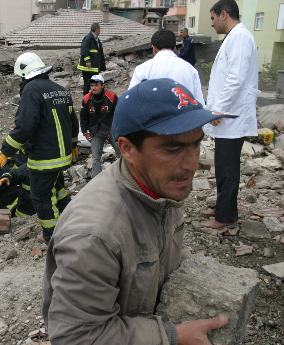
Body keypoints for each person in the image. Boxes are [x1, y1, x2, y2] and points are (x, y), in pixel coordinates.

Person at [42, 78, 233, 345]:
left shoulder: (160, 188)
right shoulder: (94, 236)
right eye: (173, 148)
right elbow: (76, 338)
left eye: (196, 144)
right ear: (128, 149)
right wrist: (172, 336)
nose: (192, 164)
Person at [0, 52, 79, 243]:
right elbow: (74, 123)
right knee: (58, 189)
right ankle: (72, 219)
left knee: (41, 197)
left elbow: (24, 126)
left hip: (44, 159)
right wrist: (73, 145)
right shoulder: (60, 90)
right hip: (63, 156)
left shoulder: (31, 90)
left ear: (24, 73)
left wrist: (6, 151)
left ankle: (53, 236)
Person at [202, 0, 259, 229]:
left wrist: (218, 110)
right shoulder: (235, 37)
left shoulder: (241, 38)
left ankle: (226, 218)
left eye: (213, 18)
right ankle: (222, 207)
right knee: (223, 164)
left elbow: (235, 79)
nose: (212, 24)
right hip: (229, 115)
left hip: (232, 115)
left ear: (224, 14)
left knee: (227, 167)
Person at [128, 29, 204, 105]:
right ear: (174, 48)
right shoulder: (191, 69)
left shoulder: (141, 69)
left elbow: (130, 100)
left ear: (153, 48)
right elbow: (200, 104)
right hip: (185, 115)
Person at [80, 74, 119, 178]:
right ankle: (96, 180)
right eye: (91, 85)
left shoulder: (112, 97)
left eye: (96, 85)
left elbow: (119, 113)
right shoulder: (86, 99)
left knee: (122, 153)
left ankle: (124, 176)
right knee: (96, 158)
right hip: (95, 131)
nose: (93, 88)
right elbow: (83, 117)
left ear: (102, 85)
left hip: (112, 130)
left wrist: (119, 130)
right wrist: (85, 132)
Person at [77, 22, 106, 95]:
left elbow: (100, 54)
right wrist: (87, 61)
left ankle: (93, 101)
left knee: (95, 85)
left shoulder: (97, 40)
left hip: (94, 68)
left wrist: (102, 66)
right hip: (88, 68)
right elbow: (84, 50)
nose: (100, 31)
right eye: (100, 29)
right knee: (87, 85)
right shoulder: (88, 38)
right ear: (97, 29)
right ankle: (85, 103)